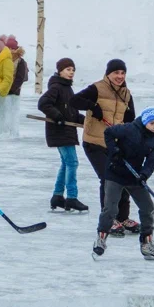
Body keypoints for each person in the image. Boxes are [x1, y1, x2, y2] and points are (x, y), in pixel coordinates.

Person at [73, 59, 138, 235]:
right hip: (94, 142)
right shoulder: (97, 88)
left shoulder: (126, 94)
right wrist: (93, 107)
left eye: (122, 73)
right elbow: (74, 101)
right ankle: (108, 220)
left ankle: (123, 218)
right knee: (109, 179)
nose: (120, 76)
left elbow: (131, 120)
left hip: (115, 144)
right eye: (116, 73)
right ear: (108, 74)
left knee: (124, 177)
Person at [93, 107, 154, 261]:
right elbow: (109, 133)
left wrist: (144, 175)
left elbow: (152, 161)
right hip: (115, 173)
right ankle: (101, 239)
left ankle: (147, 244)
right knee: (111, 209)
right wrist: (114, 151)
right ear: (145, 121)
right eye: (152, 123)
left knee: (148, 208)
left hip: (135, 177)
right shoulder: (129, 129)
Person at [38, 57, 89, 213]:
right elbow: (43, 103)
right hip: (59, 131)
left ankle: (58, 196)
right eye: (68, 69)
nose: (71, 72)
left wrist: (87, 121)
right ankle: (72, 198)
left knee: (66, 163)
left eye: (73, 70)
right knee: (72, 163)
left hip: (66, 131)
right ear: (60, 71)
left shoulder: (67, 88)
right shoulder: (56, 87)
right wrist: (57, 116)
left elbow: (71, 113)